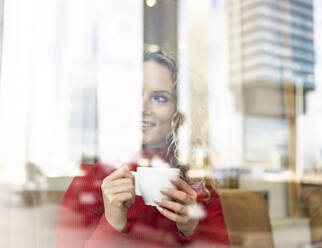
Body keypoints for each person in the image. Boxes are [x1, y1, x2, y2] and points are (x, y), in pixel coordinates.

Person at [56, 50, 230, 248]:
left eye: (160, 98)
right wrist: (113, 223)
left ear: (180, 112)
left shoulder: (200, 185)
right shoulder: (91, 179)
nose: (142, 107)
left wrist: (192, 229)